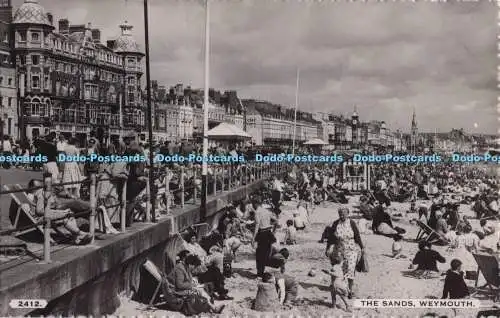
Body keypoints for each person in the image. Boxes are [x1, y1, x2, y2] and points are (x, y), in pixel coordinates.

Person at [28, 178, 91, 245]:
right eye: (40, 185)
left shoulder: (36, 194)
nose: (43, 186)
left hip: (45, 215)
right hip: (40, 218)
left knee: (69, 213)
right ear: (34, 188)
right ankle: (79, 234)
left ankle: (77, 237)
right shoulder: (40, 193)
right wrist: (59, 212)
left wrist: (56, 210)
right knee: (66, 214)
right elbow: (39, 210)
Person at [325, 207, 363, 299]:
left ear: (347, 214)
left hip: (351, 249)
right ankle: (339, 287)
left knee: (350, 269)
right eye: (340, 214)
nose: (342, 215)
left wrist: (362, 247)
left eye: (344, 213)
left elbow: (357, 235)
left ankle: (350, 290)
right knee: (339, 270)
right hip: (339, 249)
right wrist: (328, 248)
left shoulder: (352, 223)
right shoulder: (335, 223)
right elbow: (330, 237)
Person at [252, 199, 278, 278]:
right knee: (266, 253)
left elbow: (257, 226)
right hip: (268, 232)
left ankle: (260, 272)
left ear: (255, 204)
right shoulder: (267, 211)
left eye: (253, 204)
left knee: (259, 254)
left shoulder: (257, 213)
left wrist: (253, 238)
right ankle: (262, 271)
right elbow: (276, 221)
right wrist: (273, 231)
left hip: (262, 233)